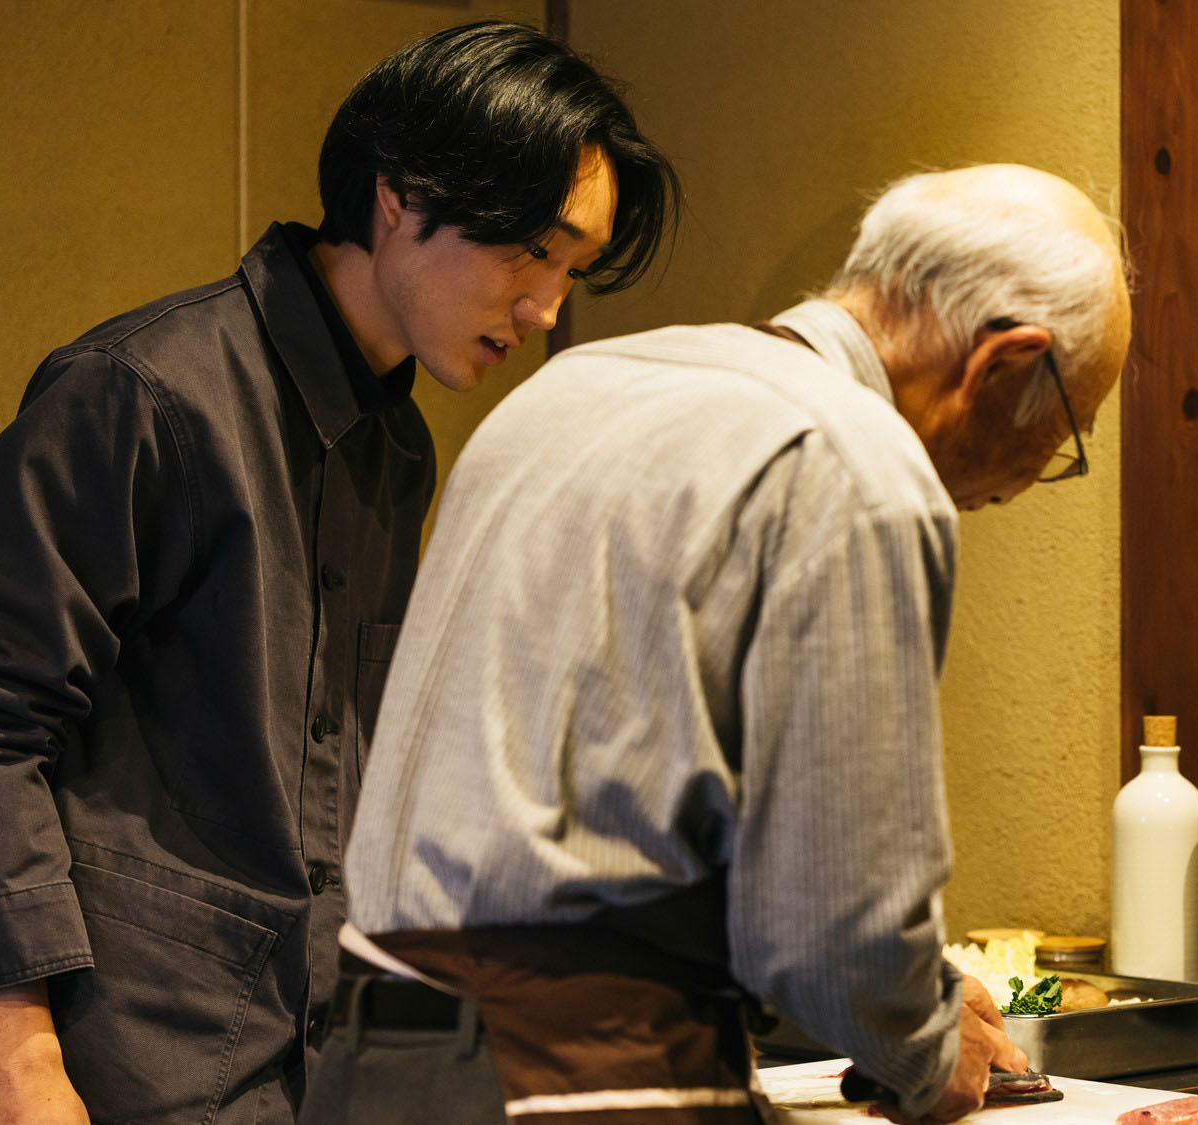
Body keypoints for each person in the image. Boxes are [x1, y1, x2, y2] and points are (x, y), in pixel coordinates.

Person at [0, 21, 675, 1125]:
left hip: (281, 1066)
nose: (544, 310)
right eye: (529, 250)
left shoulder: (396, 451)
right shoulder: (147, 395)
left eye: (571, 270)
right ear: (399, 196)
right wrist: (18, 1063)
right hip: (97, 1071)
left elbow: (334, 785)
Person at [315, 164, 1131, 1125]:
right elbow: (835, 927)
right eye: (1068, 426)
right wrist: (924, 1041)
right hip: (581, 1078)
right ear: (1002, 365)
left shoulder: (571, 389)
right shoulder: (856, 465)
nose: (1034, 475)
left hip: (369, 1058)